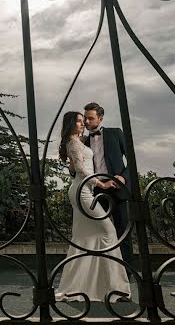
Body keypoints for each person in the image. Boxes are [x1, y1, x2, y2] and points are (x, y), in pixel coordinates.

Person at [54, 111, 131, 303]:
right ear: (72, 124)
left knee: (84, 238)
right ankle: (114, 286)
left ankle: (87, 285)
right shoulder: (74, 142)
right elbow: (80, 170)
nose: (83, 124)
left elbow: (76, 166)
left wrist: (121, 177)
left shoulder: (82, 140)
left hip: (87, 190)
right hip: (85, 192)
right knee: (108, 233)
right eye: (80, 121)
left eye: (86, 120)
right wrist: (102, 184)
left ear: (100, 118)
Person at [82, 101, 133, 266]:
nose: (87, 122)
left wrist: (123, 178)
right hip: (94, 190)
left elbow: (131, 159)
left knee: (122, 232)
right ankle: (102, 270)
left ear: (100, 118)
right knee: (95, 232)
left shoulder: (115, 133)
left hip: (116, 189)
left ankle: (126, 272)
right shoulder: (82, 141)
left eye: (91, 118)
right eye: (85, 119)